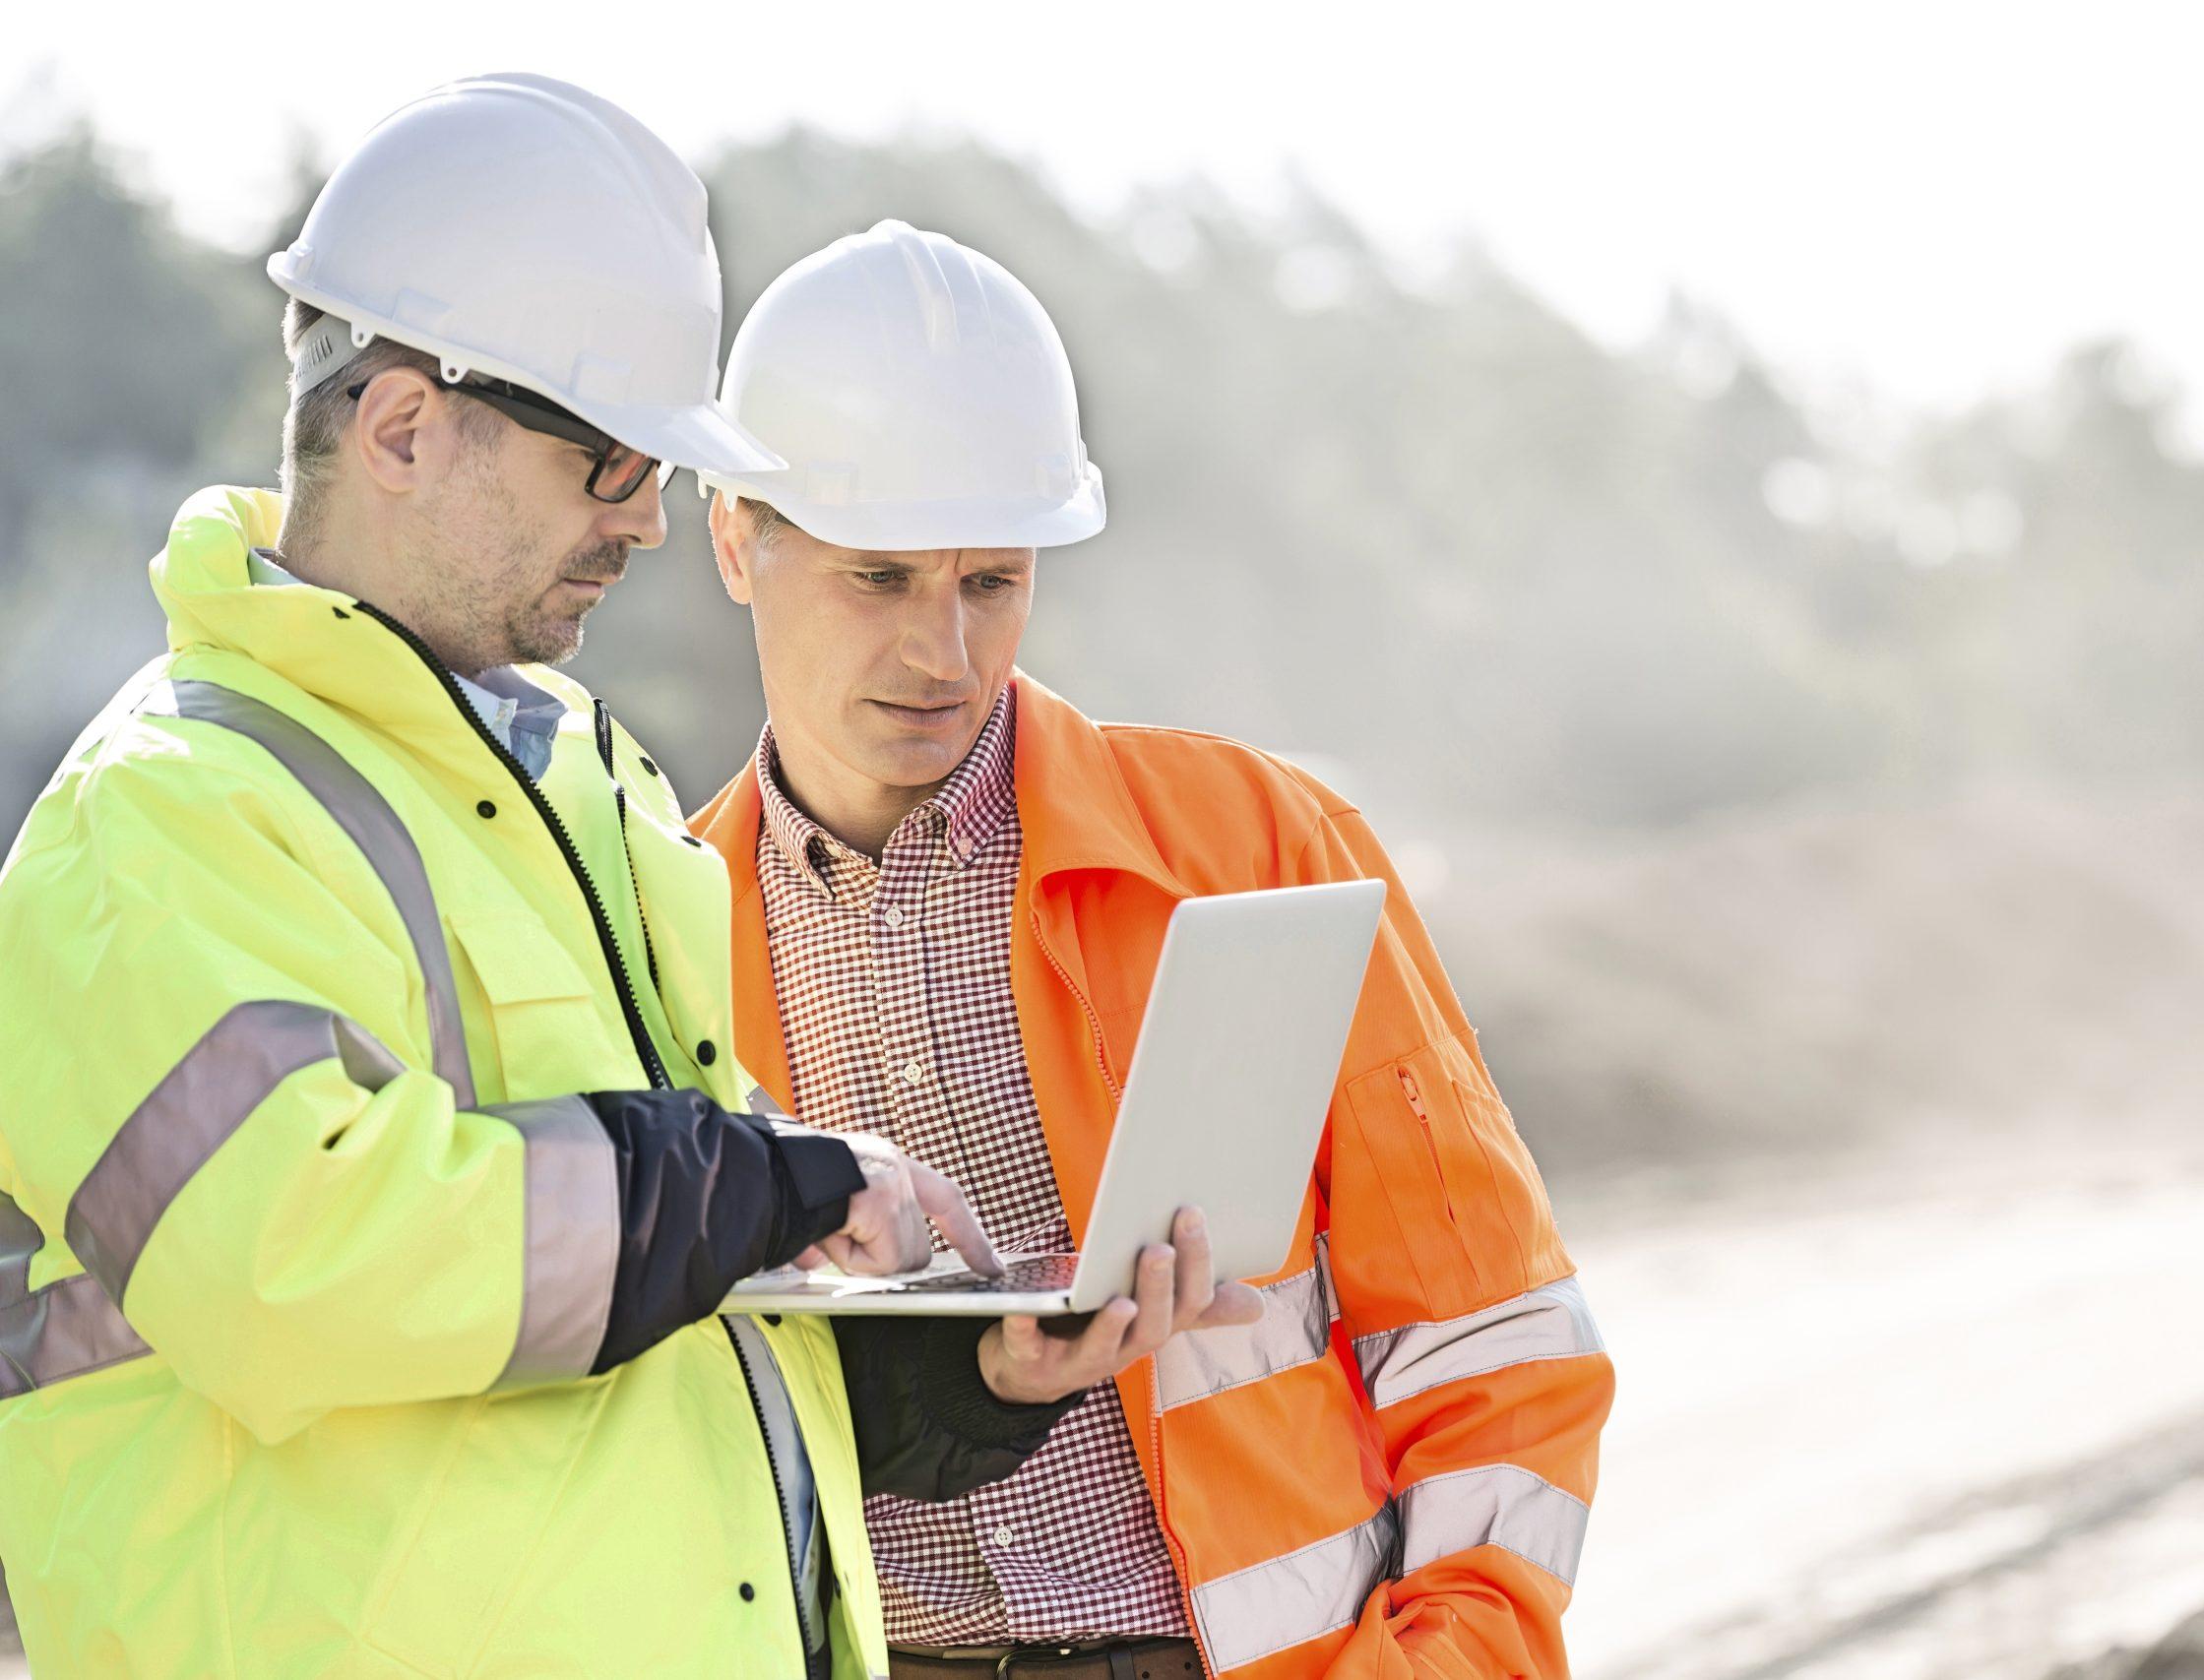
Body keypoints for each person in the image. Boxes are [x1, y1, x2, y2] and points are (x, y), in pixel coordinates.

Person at [0, 80, 1222, 1680]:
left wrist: (948, 1387)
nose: (652, 521)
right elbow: (290, 1262)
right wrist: (749, 1180)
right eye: (612, 465)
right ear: (402, 427)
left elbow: (620, 1322)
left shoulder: (583, 782)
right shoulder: (162, 819)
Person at [691, 220, 1615, 1680]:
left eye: (991, 581)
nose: (944, 651)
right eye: (879, 579)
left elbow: (1491, 1338)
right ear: (736, 536)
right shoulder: (660, 933)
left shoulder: (1256, 846)